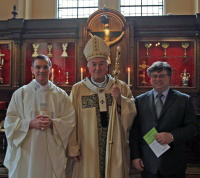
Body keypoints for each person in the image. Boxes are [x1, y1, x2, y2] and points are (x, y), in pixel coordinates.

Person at [67, 35, 137, 178]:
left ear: (107, 65)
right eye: (93, 64)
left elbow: (132, 112)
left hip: (115, 142)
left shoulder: (120, 86)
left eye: (101, 63)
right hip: (87, 146)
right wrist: (73, 148)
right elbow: (71, 120)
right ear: (88, 66)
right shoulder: (78, 89)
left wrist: (119, 100)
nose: (97, 68)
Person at [4, 54, 75, 178]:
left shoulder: (61, 95)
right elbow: (10, 121)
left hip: (51, 151)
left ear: (50, 69)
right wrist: (29, 124)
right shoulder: (20, 94)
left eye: (45, 67)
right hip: (28, 151)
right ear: (32, 70)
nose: (41, 70)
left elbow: (70, 120)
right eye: (38, 67)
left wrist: (53, 123)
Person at [129, 61, 199, 178]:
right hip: (148, 164)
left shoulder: (184, 100)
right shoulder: (140, 101)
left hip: (174, 163)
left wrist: (172, 136)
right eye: (154, 76)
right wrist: (135, 156)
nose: (158, 79)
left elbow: (193, 128)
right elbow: (135, 131)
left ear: (170, 77)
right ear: (150, 78)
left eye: (162, 76)